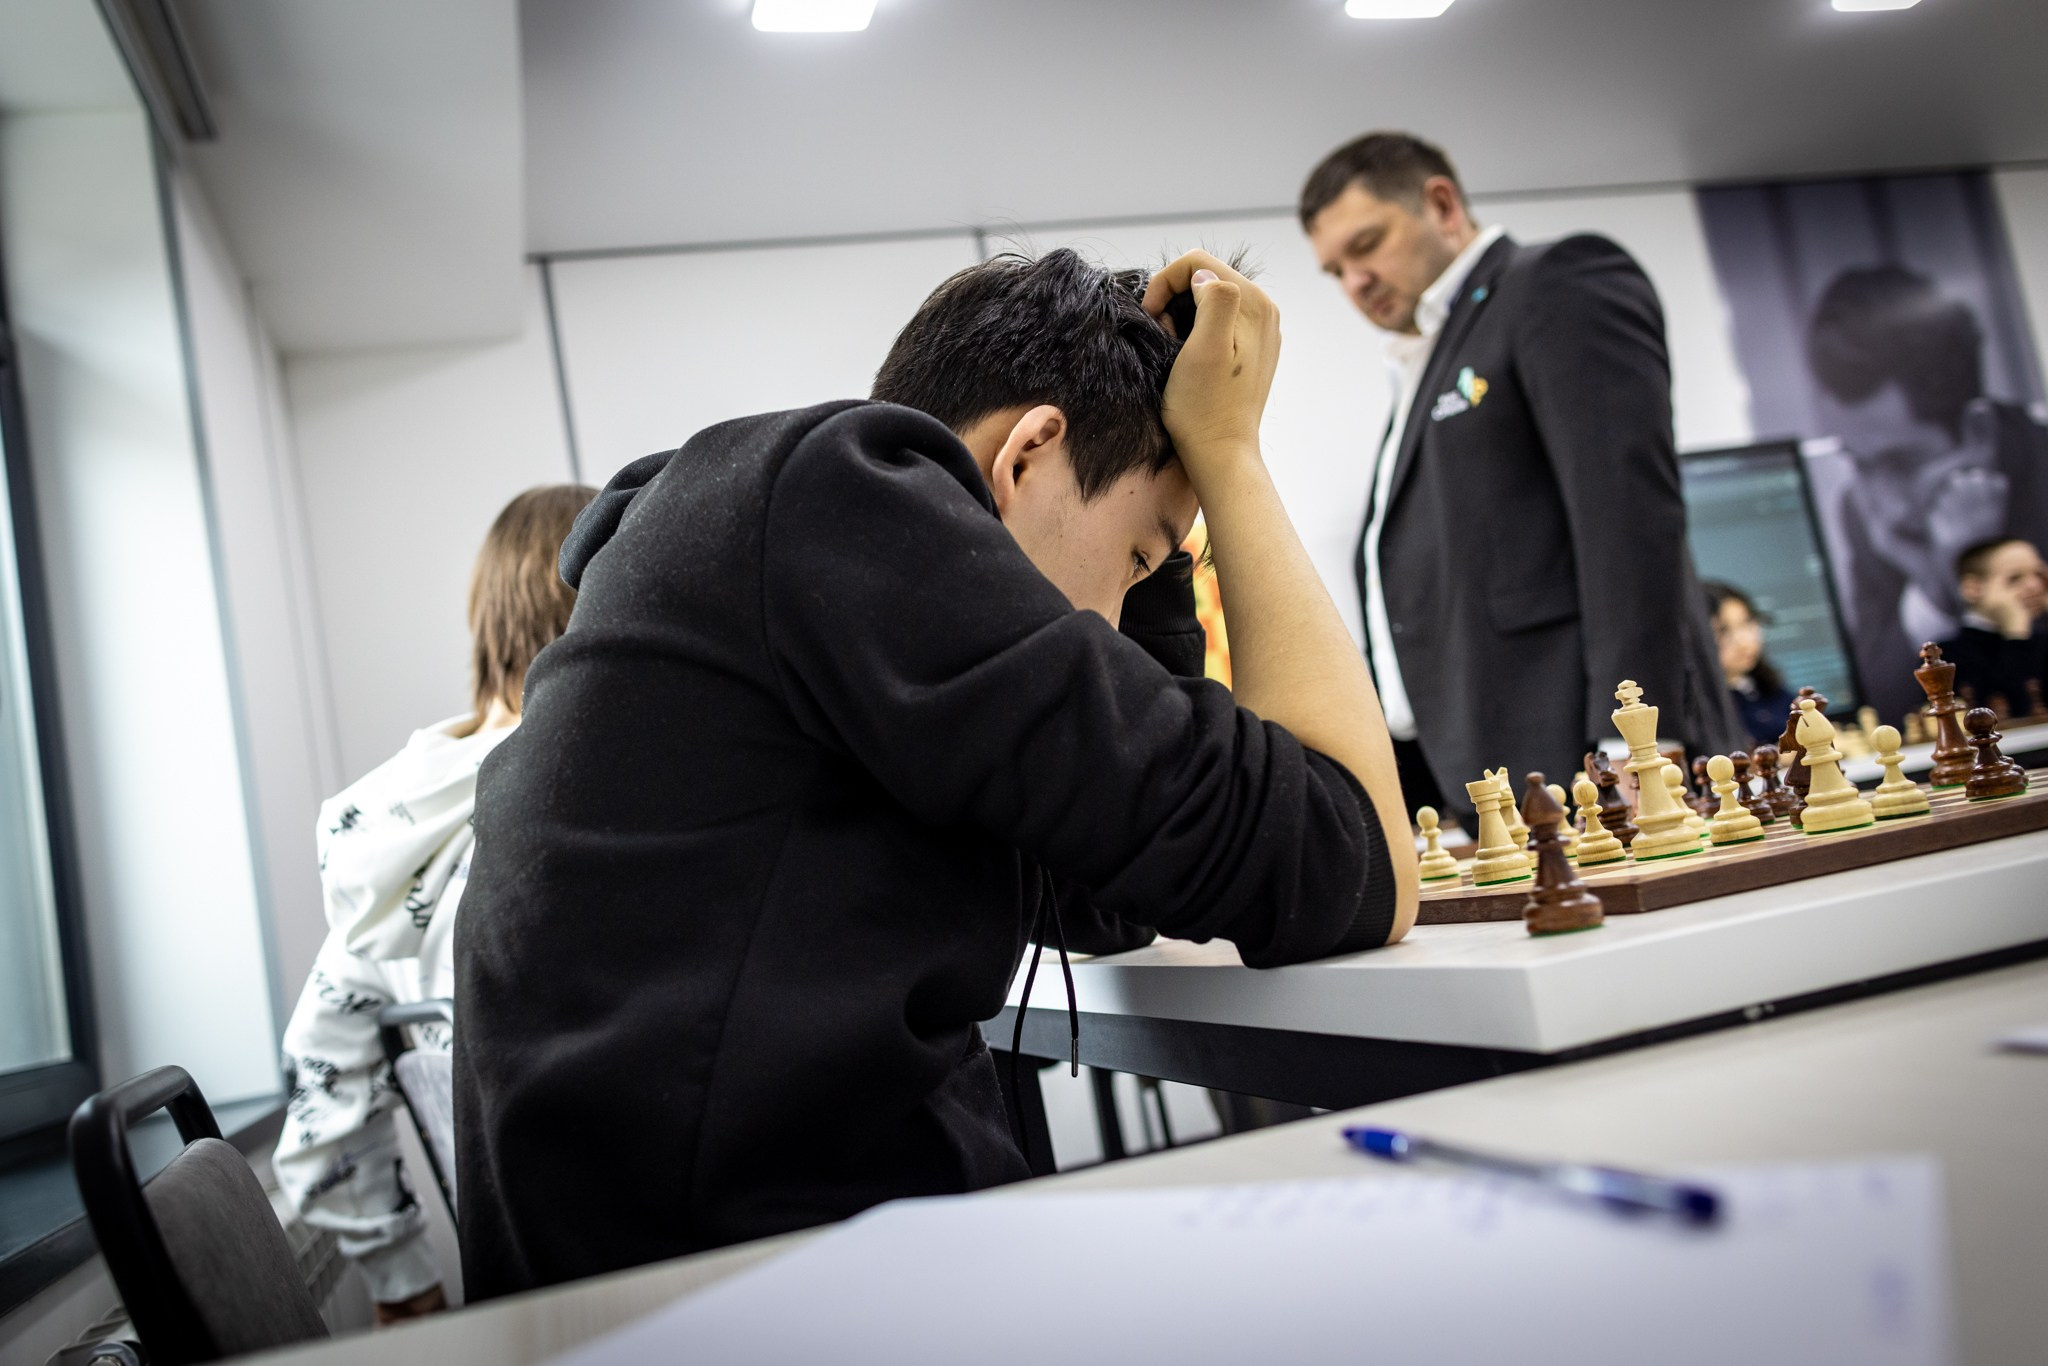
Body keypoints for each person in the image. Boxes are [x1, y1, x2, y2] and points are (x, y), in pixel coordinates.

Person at [454, 248, 1419, 1299]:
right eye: (1137, 560)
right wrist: (1228, 455)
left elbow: (1108, 897)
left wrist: (1159, 552)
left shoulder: (770, 553)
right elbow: (1350, 862)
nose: (1112, 622)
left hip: (719, 1278)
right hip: (759, 1300)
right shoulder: (839, 496)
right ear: (1028, 452)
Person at [1299, 131, 1739, 824]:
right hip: (1488, 771)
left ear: (1442, 205)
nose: (1355, 282)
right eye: (1335, 271)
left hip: (1593, 759)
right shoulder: (1428, 355)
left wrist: (1638, 739)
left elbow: (1628, 517)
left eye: (1367, 244)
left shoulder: (1558, 282)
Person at [274, 483, 595, 1323]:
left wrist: (401, 1279)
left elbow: (321, 1079)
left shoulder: (385, 847)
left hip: (512, 1288)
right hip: (686, 1249)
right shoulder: (612, 791)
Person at [1805, 265, 2048, 722]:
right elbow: (1886, 703)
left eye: (1899, 462)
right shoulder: (1862, 510)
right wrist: (1935, 588)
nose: (1888, 503)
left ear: (1977, 435)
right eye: (1859, 460)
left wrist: (1982, 567)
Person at [1938, 537, 2048, 713]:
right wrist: (2016, 635)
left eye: (2038, 575)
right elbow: (2011, 709)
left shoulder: (2041, 640)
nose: (2034, 586)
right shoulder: (1946, 656)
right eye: (2014, 578)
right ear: (1973, 588)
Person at [1702, 581, 1796, 746]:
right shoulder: (1705, 712)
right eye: (1722, 630)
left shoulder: (1766, 687)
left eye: (1747, 623)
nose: (1744, 641)